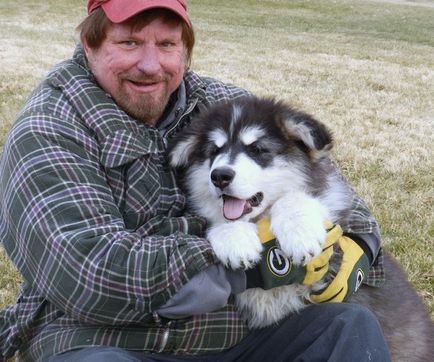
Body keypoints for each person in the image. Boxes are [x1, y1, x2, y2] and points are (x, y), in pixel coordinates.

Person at [0, 1, 391, 361]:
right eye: (130, 42)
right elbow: (89, 276)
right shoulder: (48, 131)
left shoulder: (220, 103)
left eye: (167, 43)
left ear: (186, 51)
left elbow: (320, 181)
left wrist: (358, 243)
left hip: (230, 336)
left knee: (347, 327)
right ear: (90, 43)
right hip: (105, 338)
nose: (151, 65)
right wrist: (249, 265)